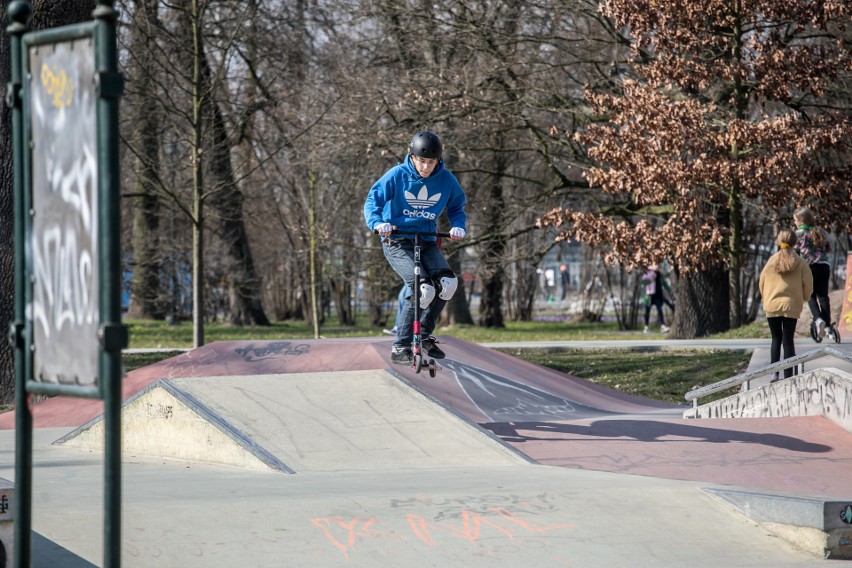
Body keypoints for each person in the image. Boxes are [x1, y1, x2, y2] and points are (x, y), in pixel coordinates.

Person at [364, 131, 467, 365]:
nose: (426, 167)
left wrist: (458, 225)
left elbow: (457, 207)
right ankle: (401, 346)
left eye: (431, 162)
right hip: (397, 241)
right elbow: (373, 200)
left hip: (426, 239)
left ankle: (424, 336)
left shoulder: (446, 179)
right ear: (411, 156)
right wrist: (378, 223)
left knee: (448, 284)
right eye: (421, 161)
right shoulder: (397, 175)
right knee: (423, 289)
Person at [759, 229, 813, 380]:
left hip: (772, 304)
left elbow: (761, 282)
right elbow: (808, 285)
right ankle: (789, 374)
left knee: (776, 338)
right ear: (795, 243)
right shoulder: (801, 262)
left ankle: (774, 373)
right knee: (788, 339)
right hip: (791, 305)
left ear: (778, 241)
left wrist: (766, 298)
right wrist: (804, 297)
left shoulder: (771, 261)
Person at [793, 206, 834, 341]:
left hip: (810, 267)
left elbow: (795, 252)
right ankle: (828, 326)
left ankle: (818, 319)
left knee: (810, 295)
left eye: (795, 220)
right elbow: (828, 248)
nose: (795, 223)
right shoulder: (820, 231)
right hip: (824, 266)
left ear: (801, 220)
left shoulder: (799, 234)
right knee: (823, 296)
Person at [641, 264, 671, 333]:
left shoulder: (659, 274)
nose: (657, 266)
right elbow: (644, 283)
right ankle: (646, 327)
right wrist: (651, 278)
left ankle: (662, 326)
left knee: (659, 310)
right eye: (655, 265)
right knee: (647, 312)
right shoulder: (647, 272)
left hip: (657, 295)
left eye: (657, 265)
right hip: (648, 296)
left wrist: (669, 290)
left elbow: (664, 283)